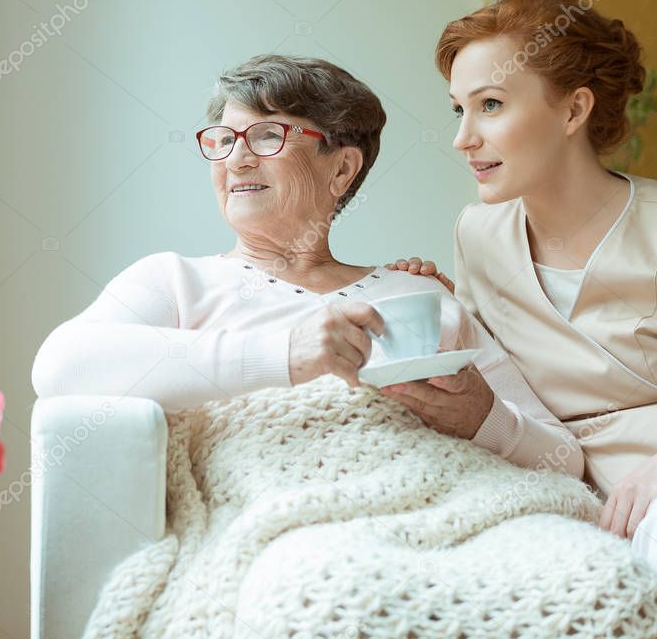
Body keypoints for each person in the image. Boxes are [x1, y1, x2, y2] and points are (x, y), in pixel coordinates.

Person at [387, 0, 657, 638]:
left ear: (573, 110)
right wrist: (440, 311)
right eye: (458, 109)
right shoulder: (478, 233)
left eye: (491, 106)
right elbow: (504, 385)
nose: (461, 138)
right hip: (585, 485)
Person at [32, 54, 582, 476]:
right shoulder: (175, 281)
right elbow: (62, 366)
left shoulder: (415, 294)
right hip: (285, 528)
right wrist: (286, 355)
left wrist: (485, 420)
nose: (237, 157)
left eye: (268, 135)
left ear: (342, 169)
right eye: (223, 140)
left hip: (443, 511)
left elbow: (566, 459)